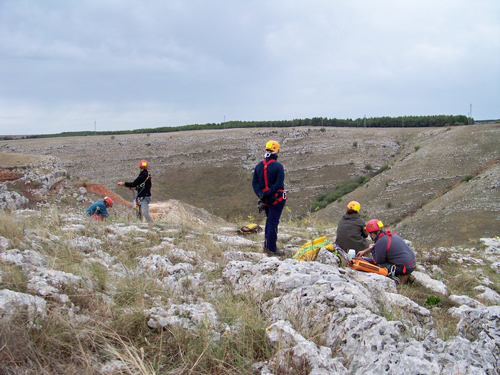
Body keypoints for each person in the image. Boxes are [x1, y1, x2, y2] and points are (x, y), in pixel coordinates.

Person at [252, 140, 287, 256]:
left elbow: (254, 183)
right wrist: (269, 193)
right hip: (276, 199)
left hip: (265, 200)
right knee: (272, 222)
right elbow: (278, 184)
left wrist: (261, 194)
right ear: (276, 152)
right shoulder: (278, 167)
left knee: (269, 221)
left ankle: (267, 246)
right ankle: (271, 248)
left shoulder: (258, 166)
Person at [357, 219, 416, 283]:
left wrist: (372, 249)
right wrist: (365, 251)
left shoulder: (381, 241)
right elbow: (379, 246)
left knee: (380, 265)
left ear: (373, 234)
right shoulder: (390, 235)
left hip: (405, 268)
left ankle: (399, 279)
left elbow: (378, 261)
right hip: (411, 264)